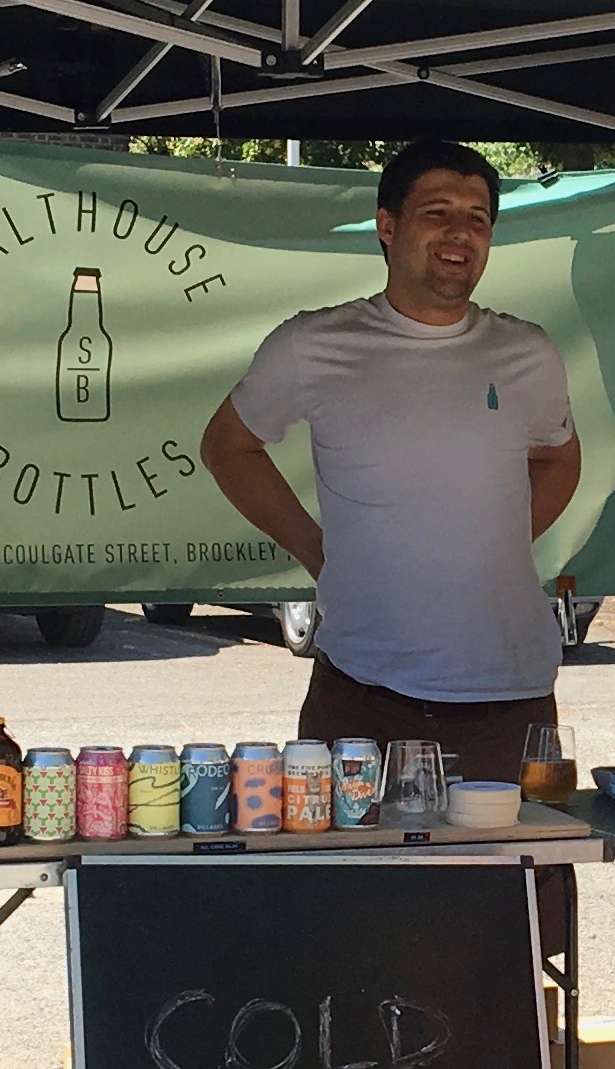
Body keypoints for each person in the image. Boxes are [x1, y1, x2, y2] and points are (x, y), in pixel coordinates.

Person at [199, 141, 582, 787]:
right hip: (361, 696)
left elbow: (559, 460)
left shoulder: (528, 354)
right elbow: (227, 447)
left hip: (508, 698)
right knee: (353, 888)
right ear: (388, 225)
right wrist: (317, 550)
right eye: (437, 212)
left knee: (516, 889)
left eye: (479, 218)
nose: (461, 232)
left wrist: (494, 547)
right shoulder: (313, 345)